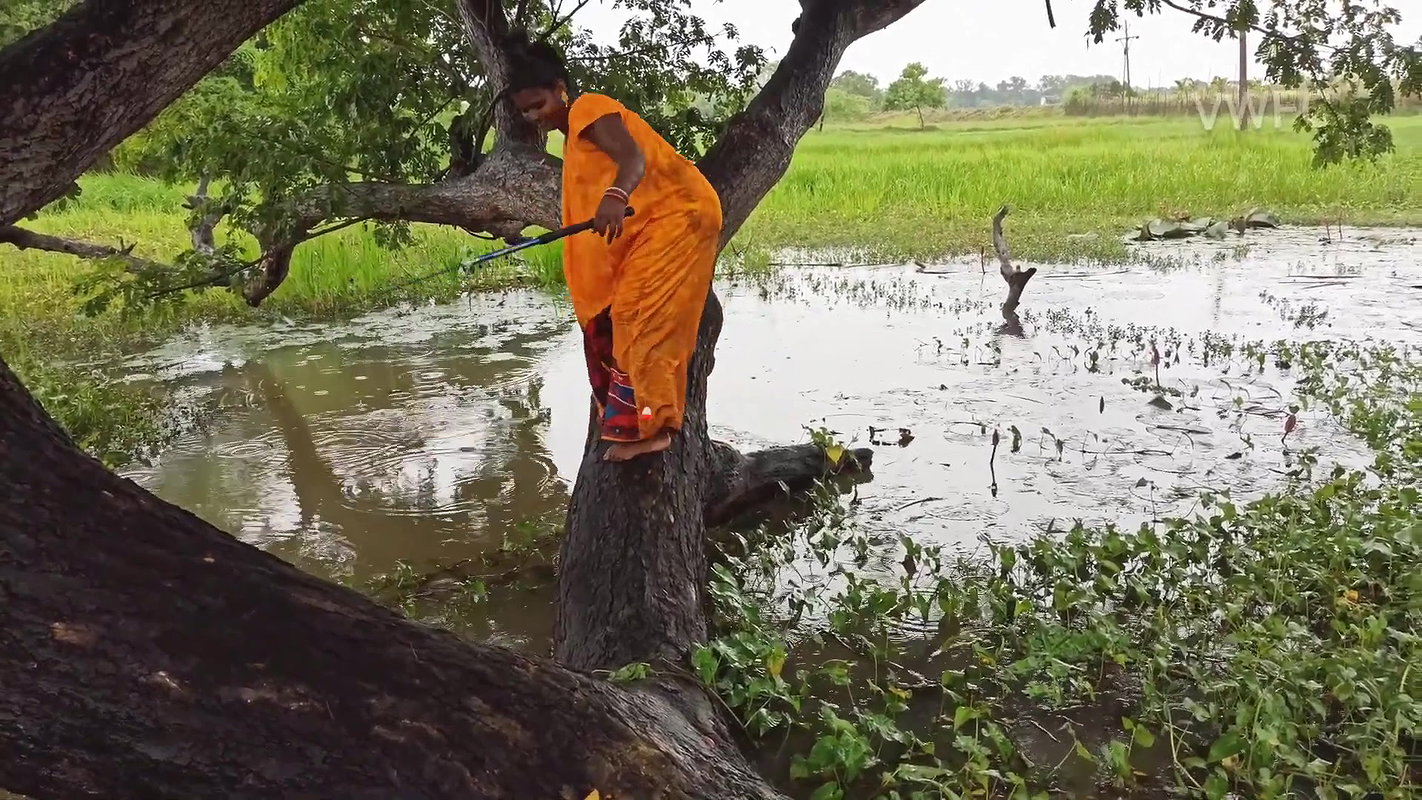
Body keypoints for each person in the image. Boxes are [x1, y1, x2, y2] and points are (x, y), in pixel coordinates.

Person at [505, 35, 723, 462]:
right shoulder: (572, 139)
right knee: (619, 315)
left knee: (638, 314)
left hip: (680, 216)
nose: (534, 116)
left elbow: (634, 160)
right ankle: (632, 422)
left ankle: (656, 429)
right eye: (525, 111)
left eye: (538, 104)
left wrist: (616, 196)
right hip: (656, 225)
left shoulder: (589, 107)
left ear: (559, 89)